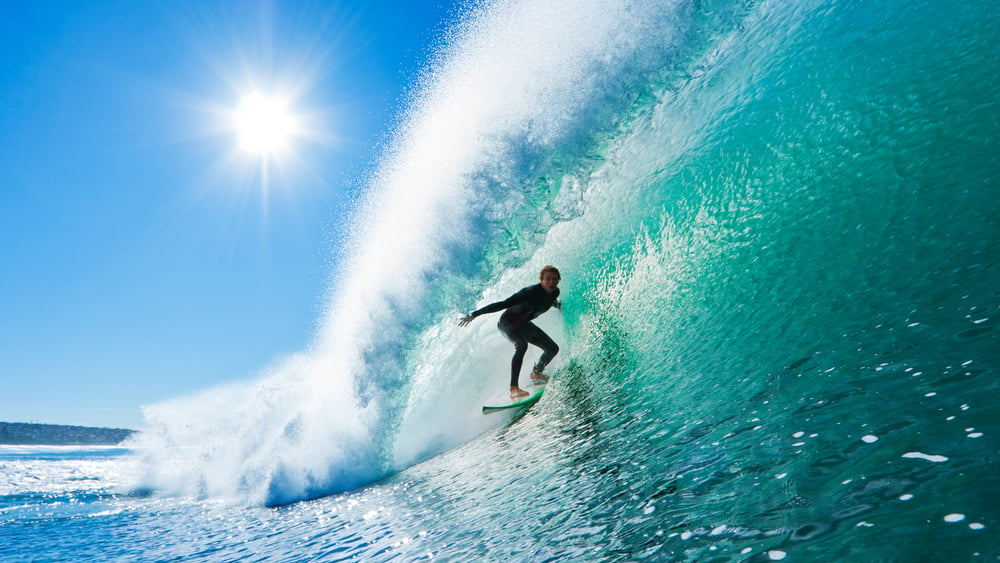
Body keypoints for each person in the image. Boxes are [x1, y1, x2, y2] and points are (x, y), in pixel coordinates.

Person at [459, 266, 562, 400]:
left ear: (559, 280)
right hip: (508, 323)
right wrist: (474, 314)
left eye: (554, 279)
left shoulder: (554, 292)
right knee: (522, 345)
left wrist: (557, 305)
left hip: (523, 324)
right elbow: (504, 304)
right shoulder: (529, 292)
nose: (551, 282)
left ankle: (536, 373)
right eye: (548, 279)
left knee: (552, 348)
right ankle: (514, 389)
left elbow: (547, 300)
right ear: (541, 280)